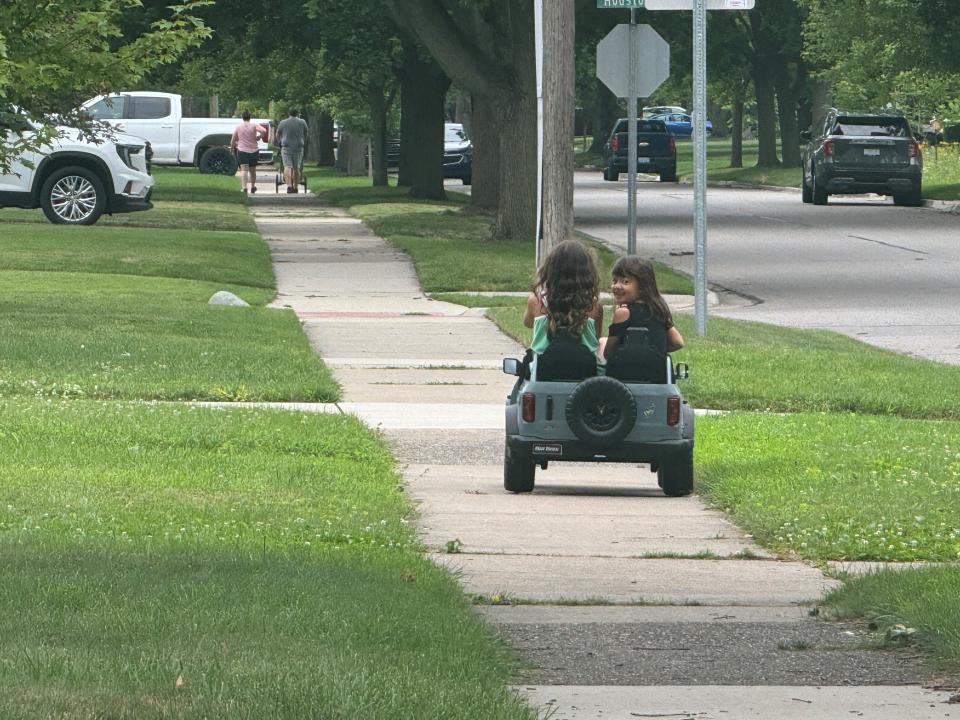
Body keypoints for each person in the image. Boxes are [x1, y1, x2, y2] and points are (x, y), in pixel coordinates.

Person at [523, 240, 604, 379]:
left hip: (543, 371)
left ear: (550, 269)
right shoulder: (594, 307)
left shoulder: (536, 302)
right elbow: (595, 337)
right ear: (588, 273)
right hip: (584, 374)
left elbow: (528, 323)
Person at [602, 255, 684, 364]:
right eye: (615, 281)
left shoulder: (623, 313)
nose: (617, 286)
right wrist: (653, 353)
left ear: (642, 286)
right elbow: (678, 342)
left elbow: (608, 353)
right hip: (658, 375)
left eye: (625, 281)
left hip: (623, 375)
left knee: (601, 343)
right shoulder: (659, 310)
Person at [230, 110, 267, 194]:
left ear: (242, 117)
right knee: (253, 170)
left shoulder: (239, 127)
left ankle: (244, 187)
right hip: (254, 150)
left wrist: (232, 149)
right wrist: (259, 137)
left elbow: (233, 140)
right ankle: (253, 186)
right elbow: (264, 131)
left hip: (242, 150)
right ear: (250, 117)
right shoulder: (254, 125)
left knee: (244, 170)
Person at [275, 108, 309, 193]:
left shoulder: (283, 122)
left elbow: (278, 133)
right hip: (298, 146)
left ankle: (289, 185)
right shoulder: (302, 122)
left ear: (288, 113)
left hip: (286, 146)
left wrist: (280, 142)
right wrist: (303, 140)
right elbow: (306, 132)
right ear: (297, 113)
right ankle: (296, 186)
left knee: (287, 166)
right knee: (296, 167)